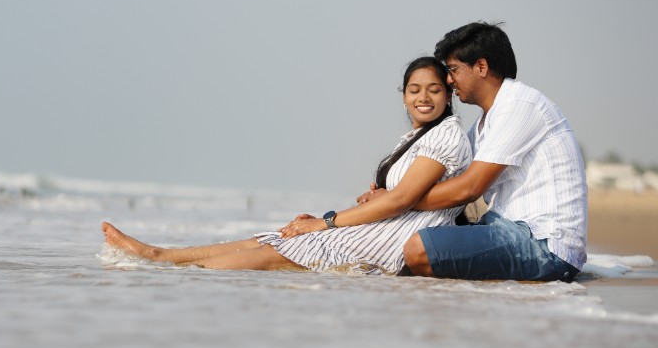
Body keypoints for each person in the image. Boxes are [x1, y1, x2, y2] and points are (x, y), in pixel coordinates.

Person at [101, 57, 472, 273]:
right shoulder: (416, 137)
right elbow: (395, 196)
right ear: (403, 96)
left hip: (391, 240)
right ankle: (157, 255)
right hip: (380, 226)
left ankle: (161, 269)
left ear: (448, 95)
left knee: (268, 254)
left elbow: (400, 201)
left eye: (434, 90)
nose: (423, 97)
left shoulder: (445, 134)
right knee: (271, 239)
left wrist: (324, 222)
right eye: (414, 90)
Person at [403, 23, 587, 282]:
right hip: (507, 228)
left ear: (481, 66)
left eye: (453, 69)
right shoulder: (484, 123)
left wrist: (403, 200)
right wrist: (390, 193)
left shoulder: (520, 105)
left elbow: (468, 188)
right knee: (414, 235)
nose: (448, 79)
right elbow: (444, 177)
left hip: (545, 244)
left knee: (418, 250)